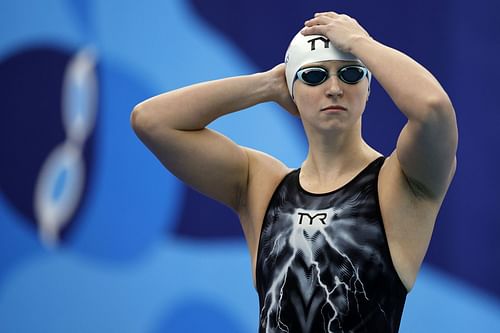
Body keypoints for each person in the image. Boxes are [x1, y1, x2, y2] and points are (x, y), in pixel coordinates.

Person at [131, 11, 457, 333]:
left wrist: (360, 43)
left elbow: (432, 108)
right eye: (314, 76)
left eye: (351, 74)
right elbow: (151, 121)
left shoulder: (399, 184)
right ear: (293, 90)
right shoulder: (260, 186)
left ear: (368, 88)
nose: (334, 88)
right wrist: (269, 84)